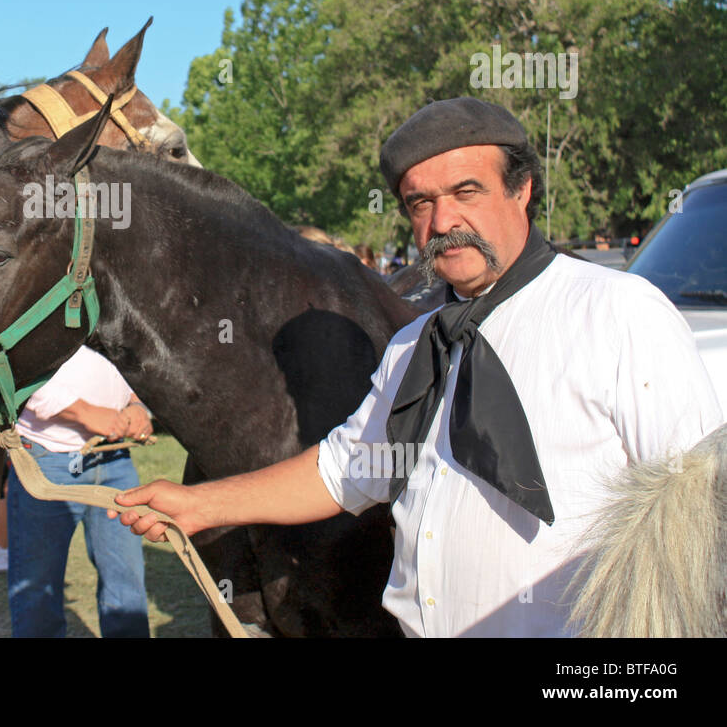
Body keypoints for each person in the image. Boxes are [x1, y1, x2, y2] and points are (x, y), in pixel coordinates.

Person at [113, 97, 724, 637]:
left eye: (467, 192)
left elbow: (697, 525)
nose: (443, 223)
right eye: (420, 203)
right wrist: (199, 504)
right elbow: (347, 470)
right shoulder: (412, 346)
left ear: (523, 190)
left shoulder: (620, 313)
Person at [9, 345, 152, 637]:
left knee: (127, 584)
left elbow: (134, 355)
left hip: (115, 459)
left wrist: (138, 403)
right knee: (37, 589)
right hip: (47, 460)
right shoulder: (36, 298)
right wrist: (84, 412)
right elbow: (14, 368)